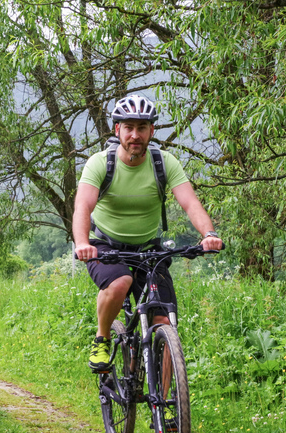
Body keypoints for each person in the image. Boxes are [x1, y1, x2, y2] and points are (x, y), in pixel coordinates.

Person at [72, 94, 224, 372]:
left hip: (148, 248)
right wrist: (82, 243)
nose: (135, 135)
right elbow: (83, 206)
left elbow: (190, 203)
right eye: (128, 128)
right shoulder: (100, 163)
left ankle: (168, 410)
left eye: (142, 128)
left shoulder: (164, 163)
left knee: (165, 322)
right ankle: (102, 338)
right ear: (117, 130)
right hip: (105, 246)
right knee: (120, 282)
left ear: (151, 131)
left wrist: (209, 234)